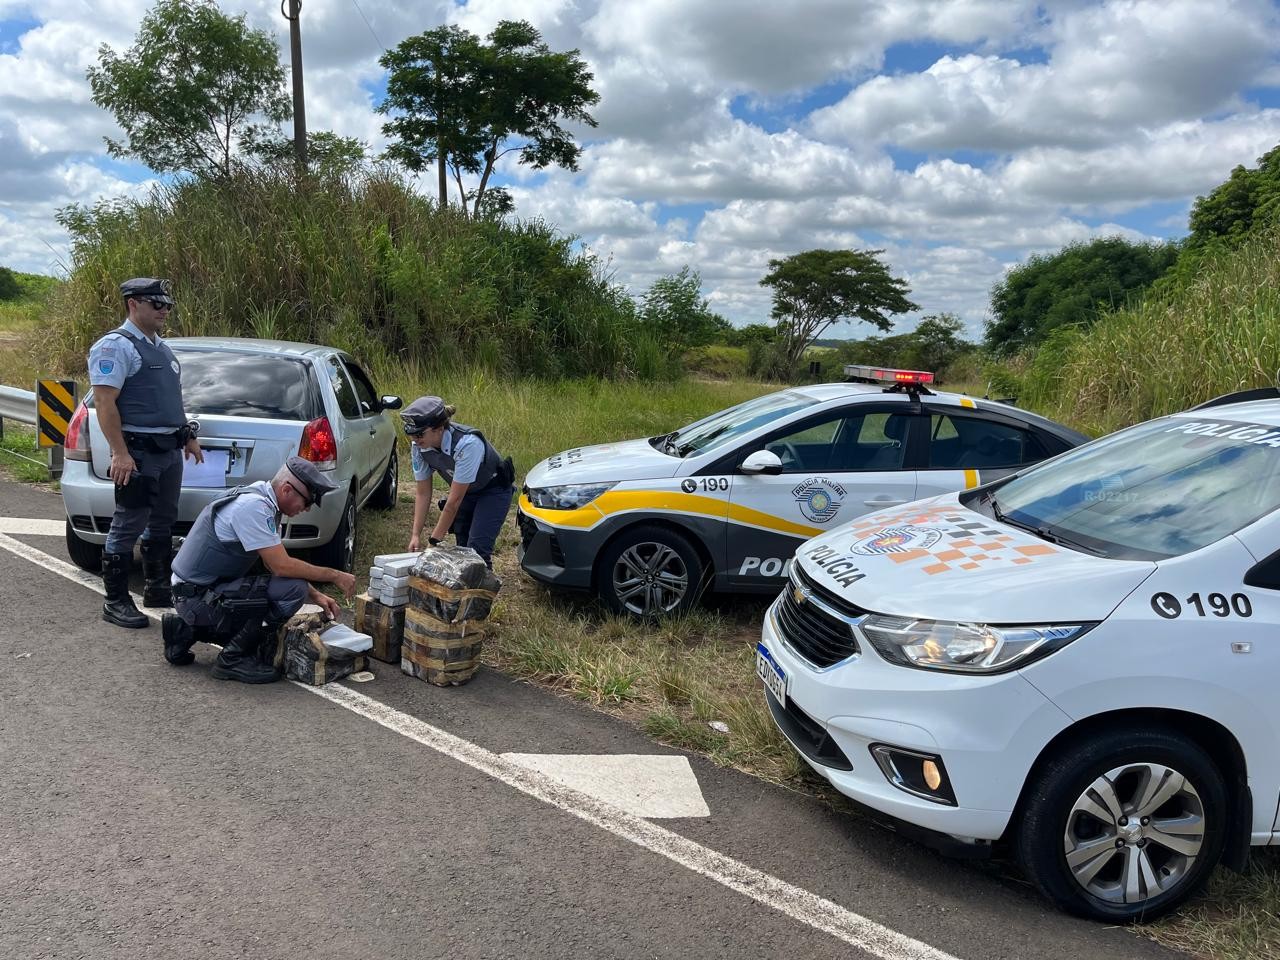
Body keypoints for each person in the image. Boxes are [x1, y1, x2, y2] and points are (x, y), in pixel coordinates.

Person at [162, 456, 357, 683]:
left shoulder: (260, 498)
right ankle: (232, 658)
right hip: (197, 598)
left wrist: (315, 594)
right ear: (286, 489)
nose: (306, 509)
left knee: (287, 586)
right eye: (307, 502)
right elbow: (281, 566)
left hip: (198, 593)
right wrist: (334, 575)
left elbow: (273, 562)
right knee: (292, 589)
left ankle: (184, 630)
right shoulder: (253, 507)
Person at [89, 278, 203, 629]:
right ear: (133, 304)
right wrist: (119, 453)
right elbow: (105, 403)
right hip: (138, 452)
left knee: (163, 520)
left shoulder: (161, 348)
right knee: (128, 524)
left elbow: (168, 400)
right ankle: (116, 601)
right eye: (156, 304)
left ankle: (156, 588)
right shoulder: (115, 347)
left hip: (168, 451)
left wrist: (186, 435)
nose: (164, 310)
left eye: (167, 304)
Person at [401, 396, 515, 567]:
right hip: (468, 492)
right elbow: (423, 492)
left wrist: (433, 543)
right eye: (410, 434)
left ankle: (480, 593)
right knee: (462, 549)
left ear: (438, 429)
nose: (414, 440)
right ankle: (464, 593)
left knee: (476, 552)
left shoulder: (467, 444)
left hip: (493, 490)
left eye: (419, 434)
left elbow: (453, 503)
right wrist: (415, 534)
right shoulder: (419, 446)